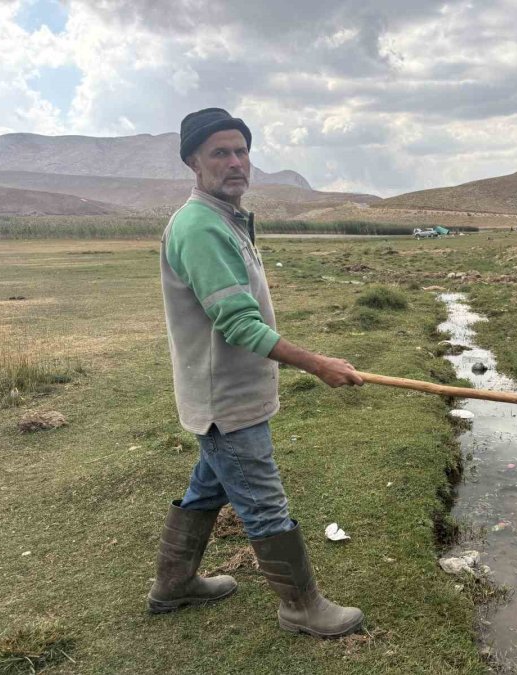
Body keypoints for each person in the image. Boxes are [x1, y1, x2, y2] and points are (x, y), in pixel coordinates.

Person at [147, 107, 364, 639]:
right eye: (220, 152)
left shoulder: (224, 218)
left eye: (241, 151)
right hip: (227, 400)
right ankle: (301, 607)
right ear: (193, 162)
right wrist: (318, 364)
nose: (235, 162)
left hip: (230, 392)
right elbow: (239, 324)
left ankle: (173, 585)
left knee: (208, 489)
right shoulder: (199, 226)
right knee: (264, 504)